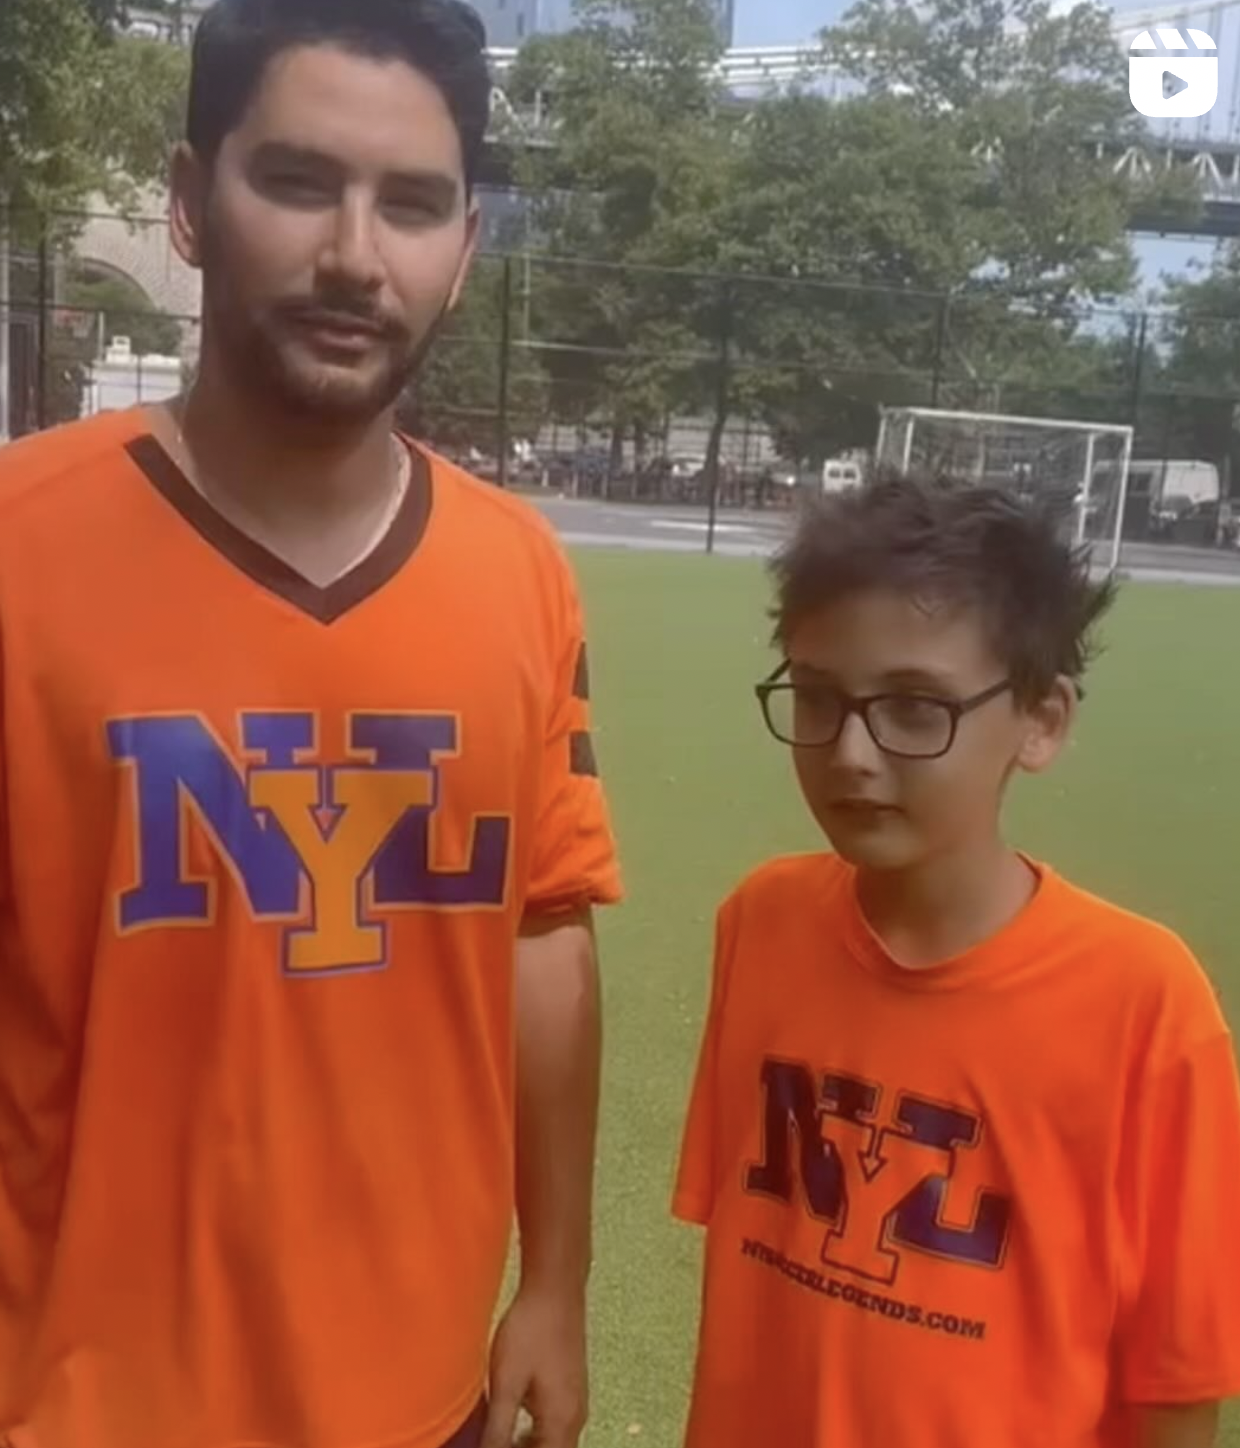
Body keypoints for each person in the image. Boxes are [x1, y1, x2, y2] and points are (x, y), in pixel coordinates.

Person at [0, 3, 622, 1447]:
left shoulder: (520, 571)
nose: (355, 253)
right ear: (189, 198)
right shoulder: (20, 545)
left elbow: (544, 936)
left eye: (411, 203)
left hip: (427, 1402)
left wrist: (559, 1281)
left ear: (464, 245)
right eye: (296, 181)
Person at [673, 476, 1240, 1448]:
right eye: (817, 696)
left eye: (912, 707)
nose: (851, 752)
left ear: (1041, 720)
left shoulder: (1143, 1002)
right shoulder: (762, 922)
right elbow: (754, 1260)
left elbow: (1175, 1384)